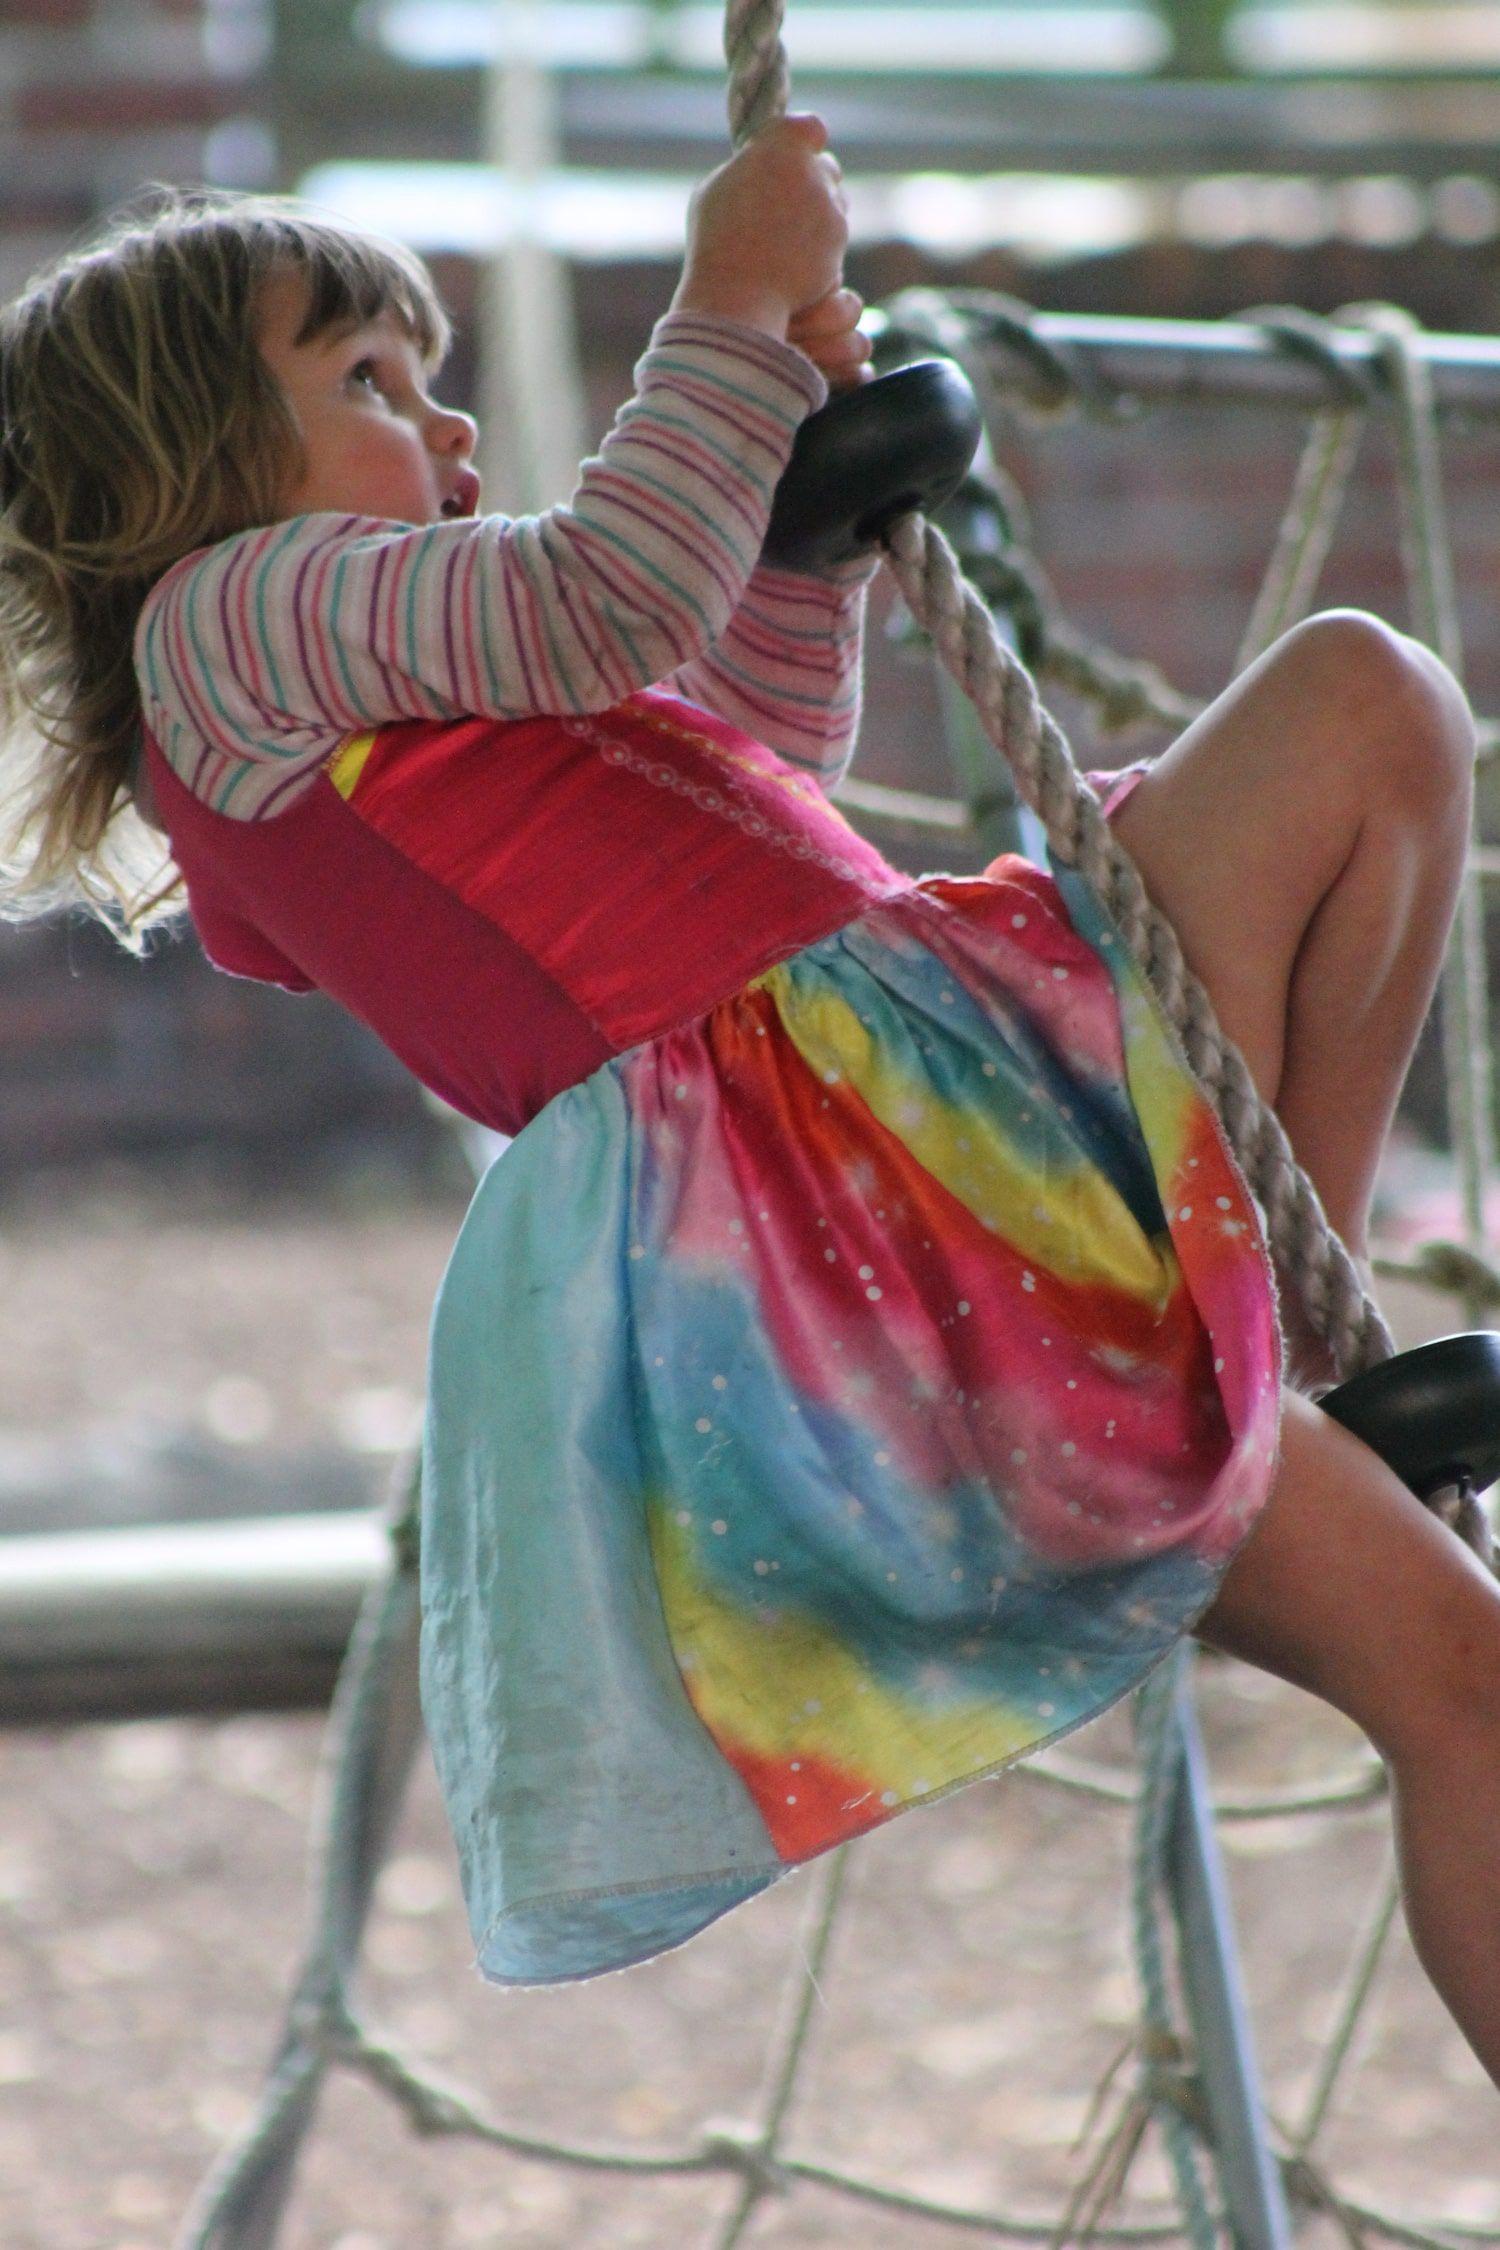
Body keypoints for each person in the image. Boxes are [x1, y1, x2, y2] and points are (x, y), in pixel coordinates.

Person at [4, 118, 1500, 2074]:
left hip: (968, 1092)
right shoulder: (230, 623)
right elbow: (608, 598)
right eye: (370, 382)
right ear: (173, 465)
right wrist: (726, 294)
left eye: (435, 385)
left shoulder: (388, 664)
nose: (448, 436)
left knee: (1369, 707)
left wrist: (795, 560)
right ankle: (1235, 1351)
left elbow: (750, 761)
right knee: (1465, 1679)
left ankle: (1266, 1313)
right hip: (892, 1245)